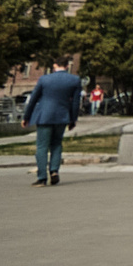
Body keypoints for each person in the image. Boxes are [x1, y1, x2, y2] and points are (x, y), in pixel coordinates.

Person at [23, 58, 83, 187]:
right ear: (67, 66)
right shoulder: (74, 80)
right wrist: (73, 119)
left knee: (42, 146)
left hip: (44, 116)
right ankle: (54, 170)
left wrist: (26, 117)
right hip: (61, 116)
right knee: (56, 144)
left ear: (54, 65)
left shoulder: (44, 79)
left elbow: (33, 99)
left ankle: (42, 177)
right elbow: (75, 103)